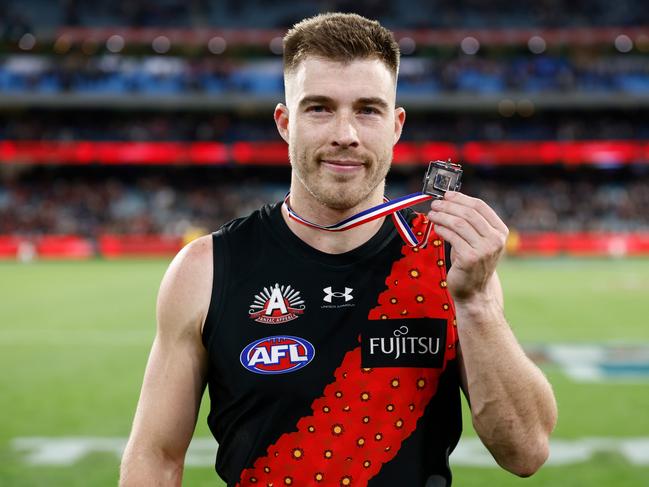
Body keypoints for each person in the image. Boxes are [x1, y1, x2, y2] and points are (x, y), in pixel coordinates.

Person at [120, 12, 557, 487]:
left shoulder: (447, 260)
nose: (344, 133)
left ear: (396, 125)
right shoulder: (205, 268)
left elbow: (526, 452)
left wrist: (475, 305)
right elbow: (156, 458)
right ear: (286, 122)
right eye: (319, 108)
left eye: (368, 109)